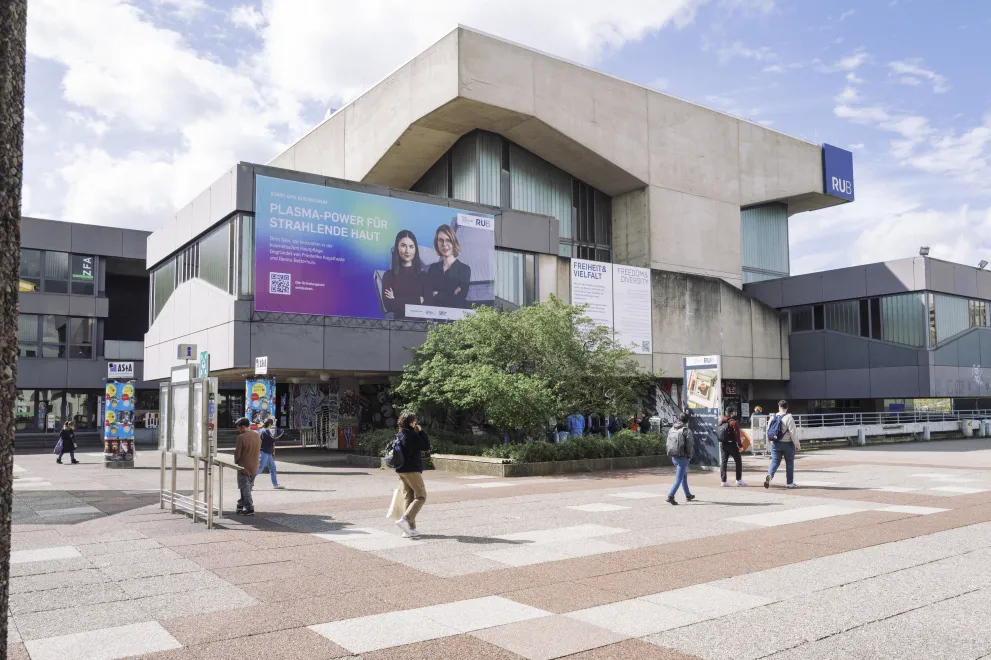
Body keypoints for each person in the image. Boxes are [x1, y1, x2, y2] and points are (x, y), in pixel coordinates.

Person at [394, 412, 431, 538]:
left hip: (401, 470)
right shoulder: (412, 435)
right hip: (412, 470)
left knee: (408, 498)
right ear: (411, 422)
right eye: (415, 421)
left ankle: (409, 530)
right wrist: (420, 431)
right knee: (421, 496)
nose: (416, 423)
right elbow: (426, 446)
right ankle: (405, 519)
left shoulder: (400, 434)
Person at [382, 230, 429, 319]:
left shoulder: (424, 277)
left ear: (415, 249)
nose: (407, 251)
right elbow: (388, 305)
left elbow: (428, 306)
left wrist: (396, 301)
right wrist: (418, 300)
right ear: (397, 247)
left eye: (411, 246)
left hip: (421, 326)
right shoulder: (389, 275)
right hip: (397, 325)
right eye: (403, 246)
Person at [427, 224, 471, 309]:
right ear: (437, 243)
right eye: (440, 240)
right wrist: (452, 294)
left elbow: (459, 300)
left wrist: (436, 294)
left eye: (448, 240)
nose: (444, 244)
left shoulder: (464, 269)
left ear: (454, 242)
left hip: (455, 316)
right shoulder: (433, 268)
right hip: (434, 316)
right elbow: (428, 297)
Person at [764, 400, 800, 489]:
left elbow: (768, 430)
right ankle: (789, 483)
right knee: (789, 462)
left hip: (775, 443)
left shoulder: (773, 417)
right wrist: (797, 444)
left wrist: (769, 441)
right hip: (788, 444)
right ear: (787, 408)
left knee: (775, 461)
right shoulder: (789, 417)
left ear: (779, 407)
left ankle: (770, 475)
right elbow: (793, 433)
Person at [666, 412, 696, 505]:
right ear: (687, 421)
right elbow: (690, 445)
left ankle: (688, 495)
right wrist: (689, 456)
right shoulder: (686, 430)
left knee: (683, 476)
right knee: (679, 478)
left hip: (674, 456)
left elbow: (667, 443)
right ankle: (671, 496)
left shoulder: (672, 429)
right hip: (683, 457)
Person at [233, 417, 261, 515]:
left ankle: (250, 509)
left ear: (243, 427)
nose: (237, 429)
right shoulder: (257, 435)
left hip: (243, 467)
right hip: (255, 466)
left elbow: (238, 453)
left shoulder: (241, 437)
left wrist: (236, 461)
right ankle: (240, 505)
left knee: (245, 489)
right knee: (246, 488)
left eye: (238, 427)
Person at [718, 406, 747, 487]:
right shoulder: (733, 422)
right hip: (732, 444)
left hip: (722, 444)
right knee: (738, 461)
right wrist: (740, 446)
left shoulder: (721, 421)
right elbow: (737, 435)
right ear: (732, 413)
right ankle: (738, 480)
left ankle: (723, 481)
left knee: (724, 462)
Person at [257, 419, 286, 489]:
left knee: (273, 468)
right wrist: (282, 432)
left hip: (266, 452)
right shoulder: (266, 431)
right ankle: (248, 481)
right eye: (272, 424)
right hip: (264, 452)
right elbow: (273, 439)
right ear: (269, 424)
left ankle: (275, 484)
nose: (272, 425)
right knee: (260, 469)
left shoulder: (261, 430)